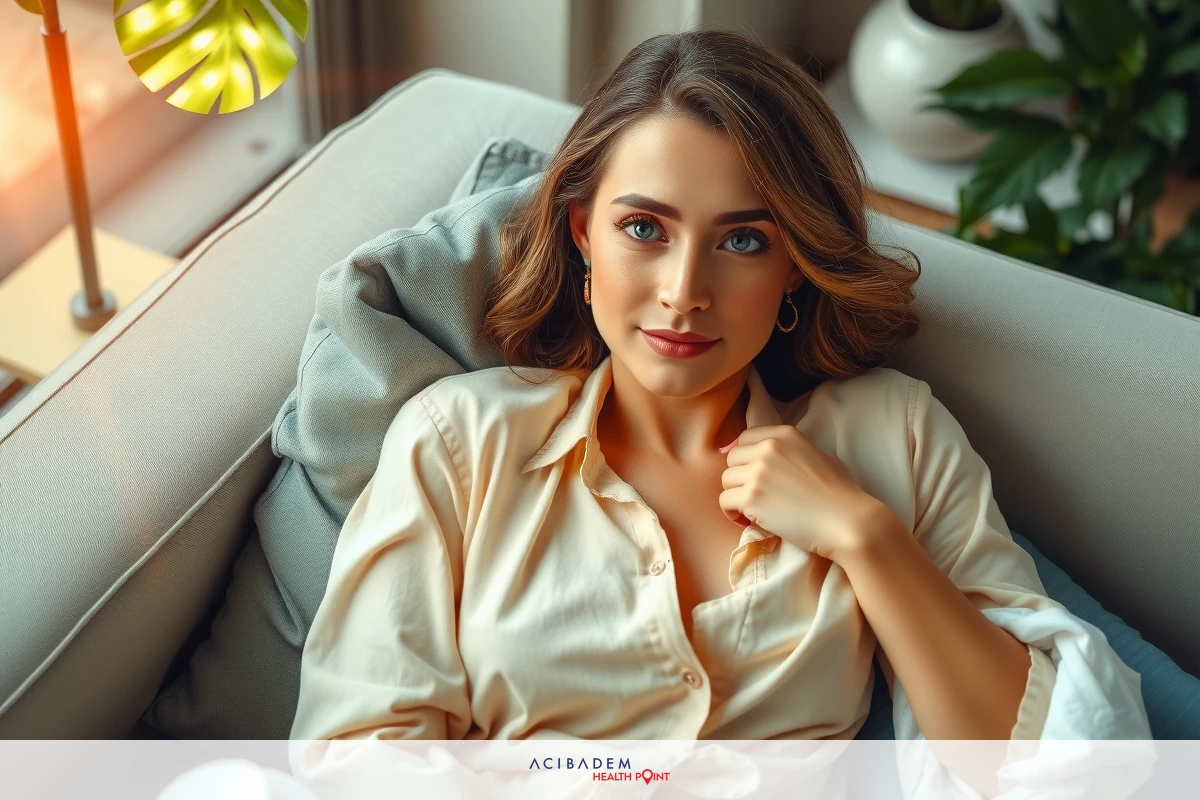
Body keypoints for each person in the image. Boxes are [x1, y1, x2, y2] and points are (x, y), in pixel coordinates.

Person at [289, 26, 1150, 795]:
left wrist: (865, 537)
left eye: (743, 241)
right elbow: (355, 752)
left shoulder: (895, 434)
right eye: (645, 230)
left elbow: (1052, 765)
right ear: (584, 233)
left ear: (794, 267)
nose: (684, 293)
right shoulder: (460, 440)